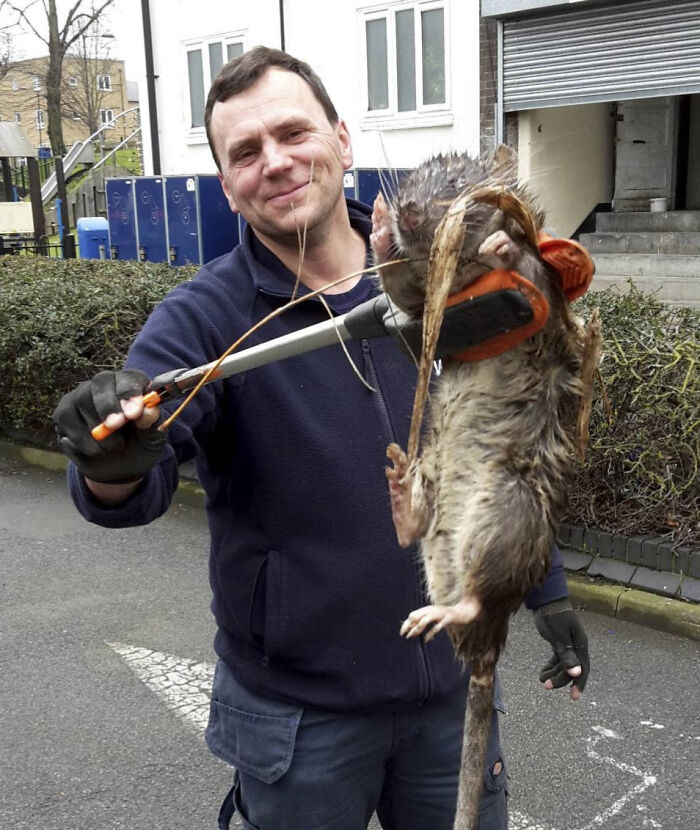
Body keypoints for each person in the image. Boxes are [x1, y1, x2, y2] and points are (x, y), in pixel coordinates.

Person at [53, 46, 589, 830]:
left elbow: (504, 449)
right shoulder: (203, 320)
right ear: (229, 187)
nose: (274, 162)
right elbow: (129, 482)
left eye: (292, 133)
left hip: (448, 695)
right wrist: (110, 461)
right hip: (298, 723)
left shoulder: (448, 281)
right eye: (245, 153)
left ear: (341, 138)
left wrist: (546, 592)